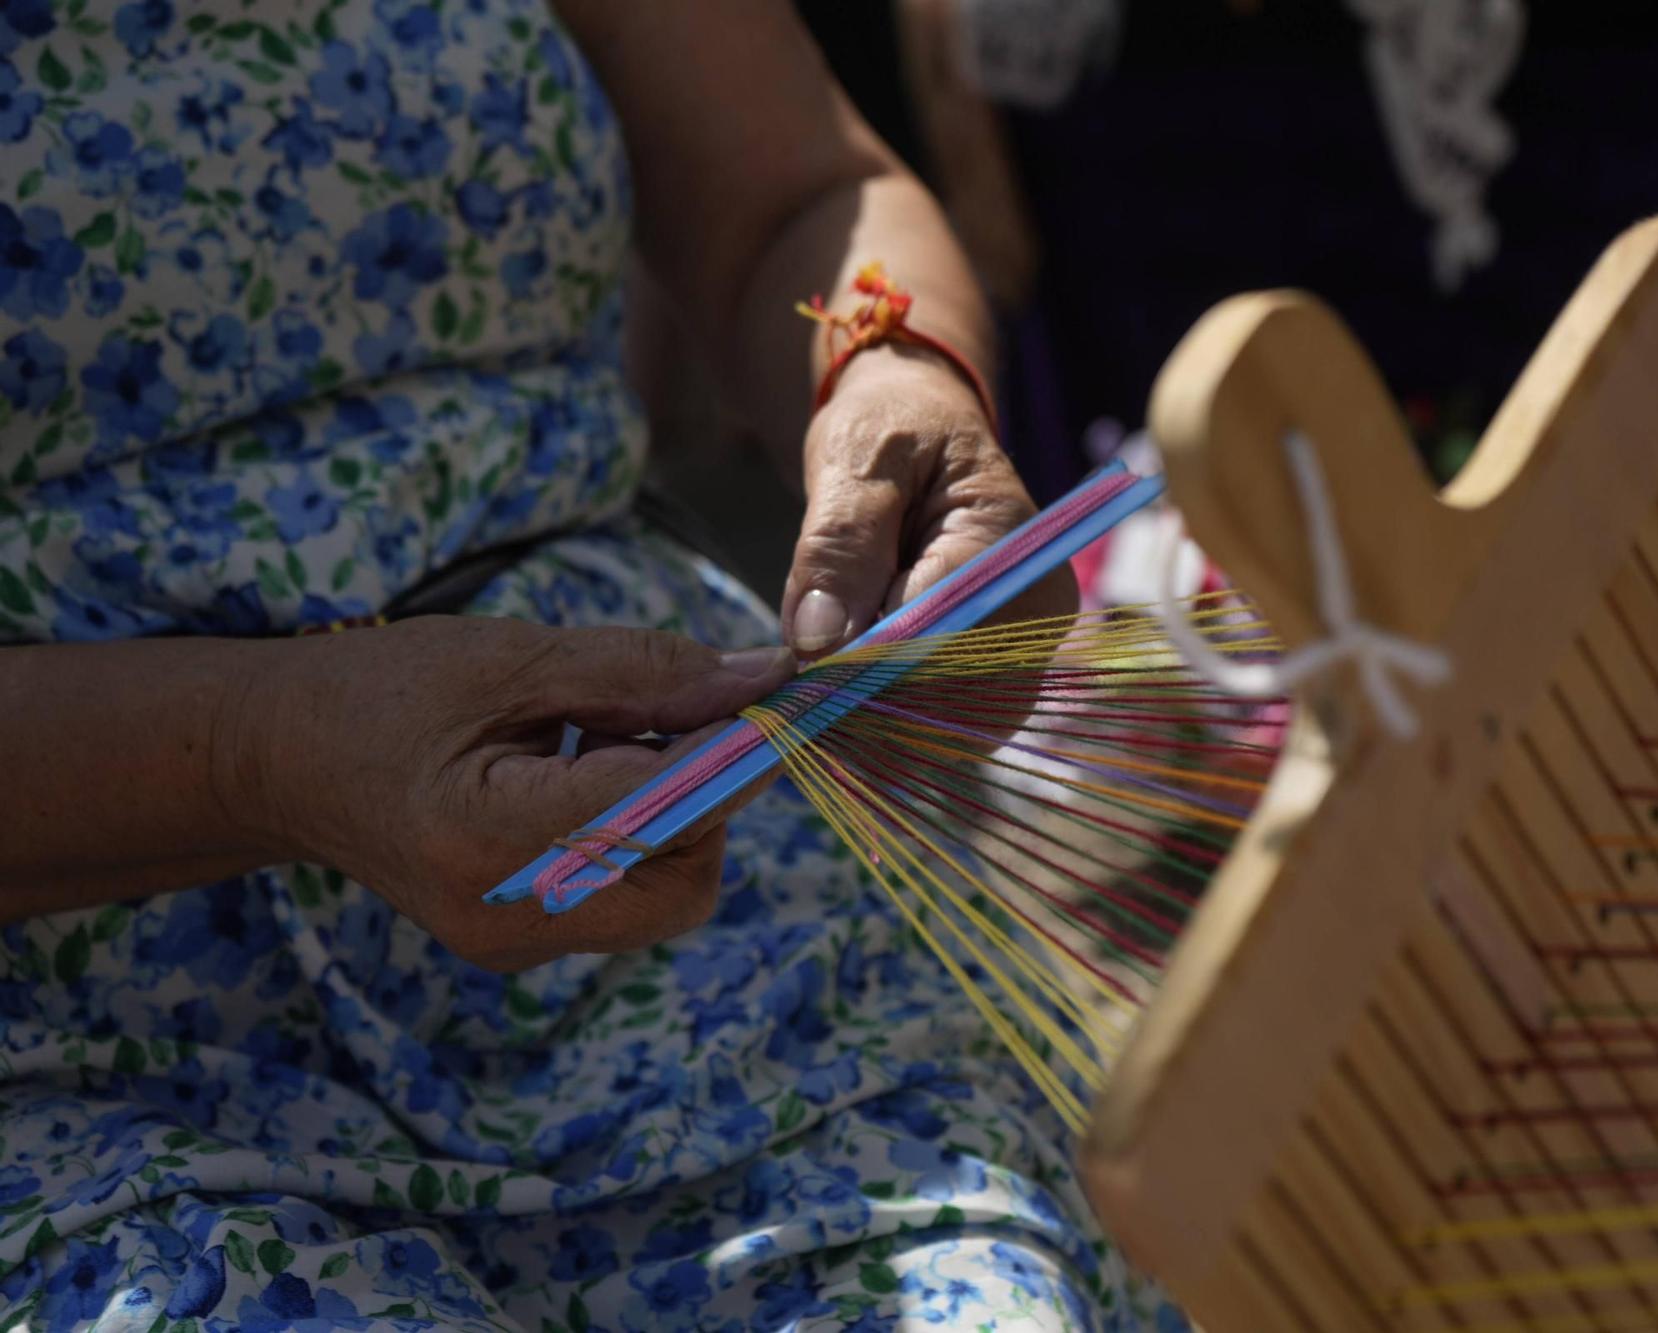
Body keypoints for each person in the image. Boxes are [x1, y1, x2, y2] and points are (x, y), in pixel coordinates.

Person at [0, 2, 1176, 1327]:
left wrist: (893, 380)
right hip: (87, 1031)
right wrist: (259, 751)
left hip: (685, 894)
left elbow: (803, 190)